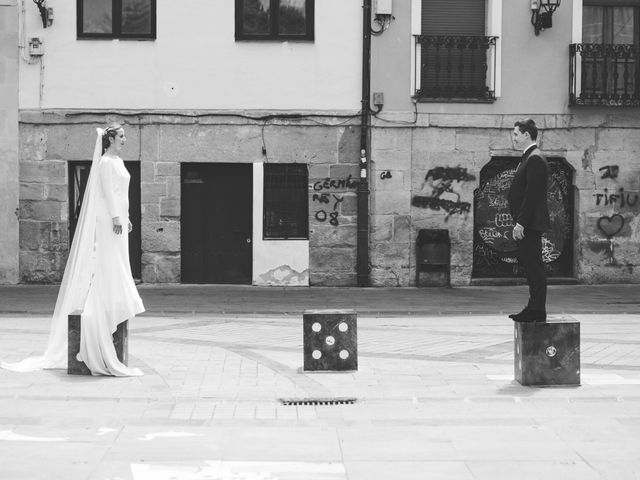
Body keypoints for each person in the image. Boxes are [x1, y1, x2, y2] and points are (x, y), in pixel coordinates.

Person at [2, 124, 145, 376]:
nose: (125, 139)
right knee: (108, 258)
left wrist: (126, 215)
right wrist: (114, 217)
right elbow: (107, 195)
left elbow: (121, 193)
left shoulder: (118, 160)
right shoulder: (104, 163)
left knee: (118, 258)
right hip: (109, 217)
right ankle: (103, 298)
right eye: (121, 136)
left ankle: (113, 294)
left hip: (119, 215)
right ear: (110, 138)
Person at [507, 118, 551, 323]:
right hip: (529, 223)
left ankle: (537, 310)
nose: (513, 138)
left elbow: (531, 195)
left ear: (526, 135)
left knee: (534, 267)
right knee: (531, 266)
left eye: (516, 134)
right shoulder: (530, 157)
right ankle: (533, 308)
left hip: (530, 224)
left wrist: (521, 223)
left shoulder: (534, 158)